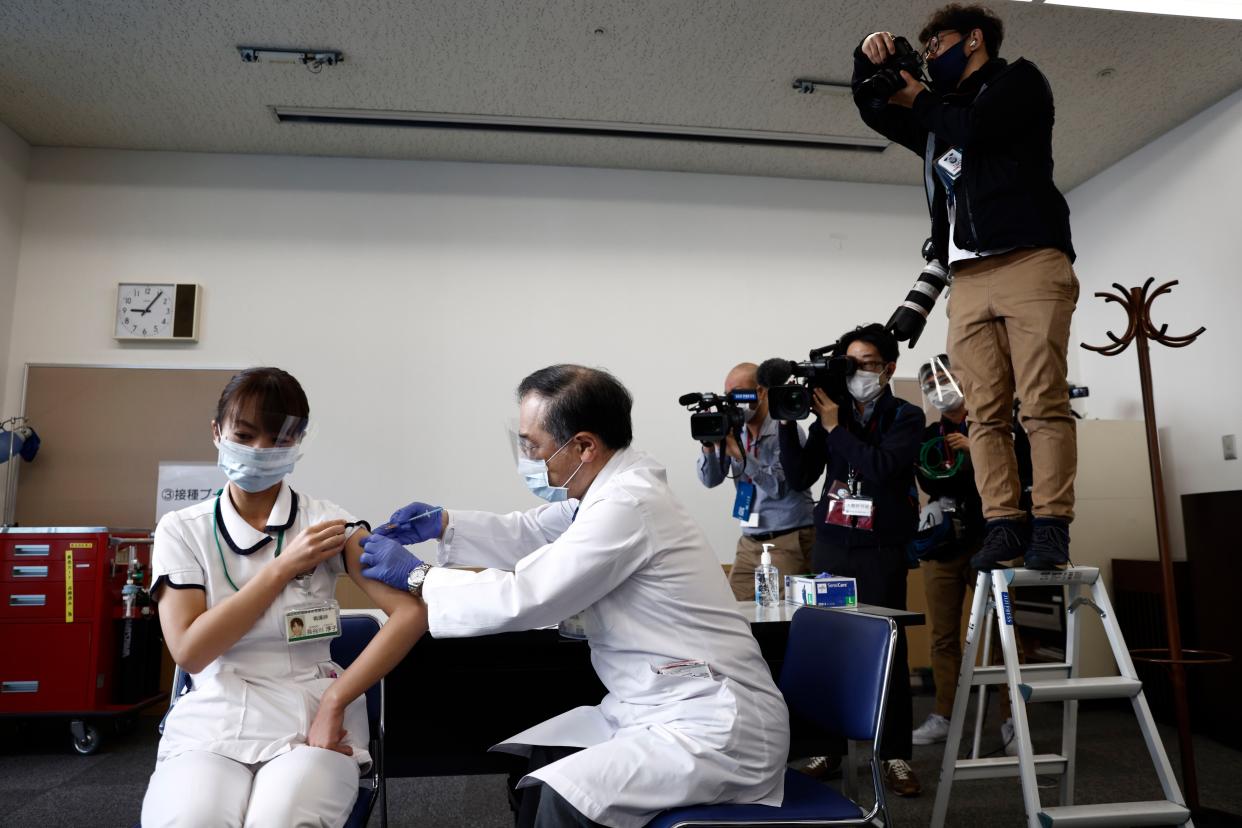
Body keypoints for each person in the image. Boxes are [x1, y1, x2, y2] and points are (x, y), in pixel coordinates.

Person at [359, 364, 789, 828]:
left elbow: (529, 595)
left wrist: (419, 576)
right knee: (536, 765)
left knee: (563, 799)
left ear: (584, 446)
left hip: (714, 723)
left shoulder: (628, 505)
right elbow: (530, 533)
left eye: (533, 445)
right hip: (655, 705)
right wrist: (445, 523)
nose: (527, 456)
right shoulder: (605, 493)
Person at [141, 368, 427, 828]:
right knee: (192, 819)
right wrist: (282, 569)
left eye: (277, 439)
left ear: (297, 444)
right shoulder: (182, 529)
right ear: (217, 433)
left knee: (281, 819)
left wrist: (336, 701)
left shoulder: (328, 523)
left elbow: (410, 613)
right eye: (244, 435)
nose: (259, 451)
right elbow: (191, 651)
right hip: (214, 716)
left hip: (311, 715)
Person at [852, 3, 1078, 572]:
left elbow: (976, 129)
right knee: (983, 412)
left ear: (974, 40)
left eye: (937, 43)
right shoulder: (939, 114)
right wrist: (868, 59)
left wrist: (921, 99)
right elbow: (877, 111)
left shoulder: (1018, 82)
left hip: (1029, 259)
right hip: (968, 275)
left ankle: (1050, 522)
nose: (930, 55)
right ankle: (1003, 522)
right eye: (924, 48)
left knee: (1043, 401)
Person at [777, 324, 924, 796]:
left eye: (867, 363)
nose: (858, 372)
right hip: (832, 545)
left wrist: (837, 427)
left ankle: (895, 753)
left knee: (888, 649)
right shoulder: (828, 415)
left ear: (889, 368)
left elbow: (881, 468)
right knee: (827, 650)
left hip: (881, 547)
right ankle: (826, 749)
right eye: (851, 364)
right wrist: (787, 420)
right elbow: (801, 474)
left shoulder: (906, 416)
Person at [910, 354, 1023, 755]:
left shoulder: (996, 426)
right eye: (929, 383)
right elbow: (928, 476)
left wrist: (977, 449)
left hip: (989, 541)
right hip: (942, 545)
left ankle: (1011, 719)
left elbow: (1016, 469)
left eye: (944, 378)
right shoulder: (928, 435)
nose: (937, 387)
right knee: (942, 636)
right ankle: (945, 714)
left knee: (1000, 635)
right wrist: (961, 465)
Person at [696, 362, 814, 601]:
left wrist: (740, 454)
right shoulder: (734, 431)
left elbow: (778, 488)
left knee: (783, 615)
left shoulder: (786, 428)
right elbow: (710, 481)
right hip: (749, 542)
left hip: (787, 540)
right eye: (728, 396)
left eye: (738, 394)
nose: (732, 403)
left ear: (760, 392)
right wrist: (711, 447)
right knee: (735, 614)